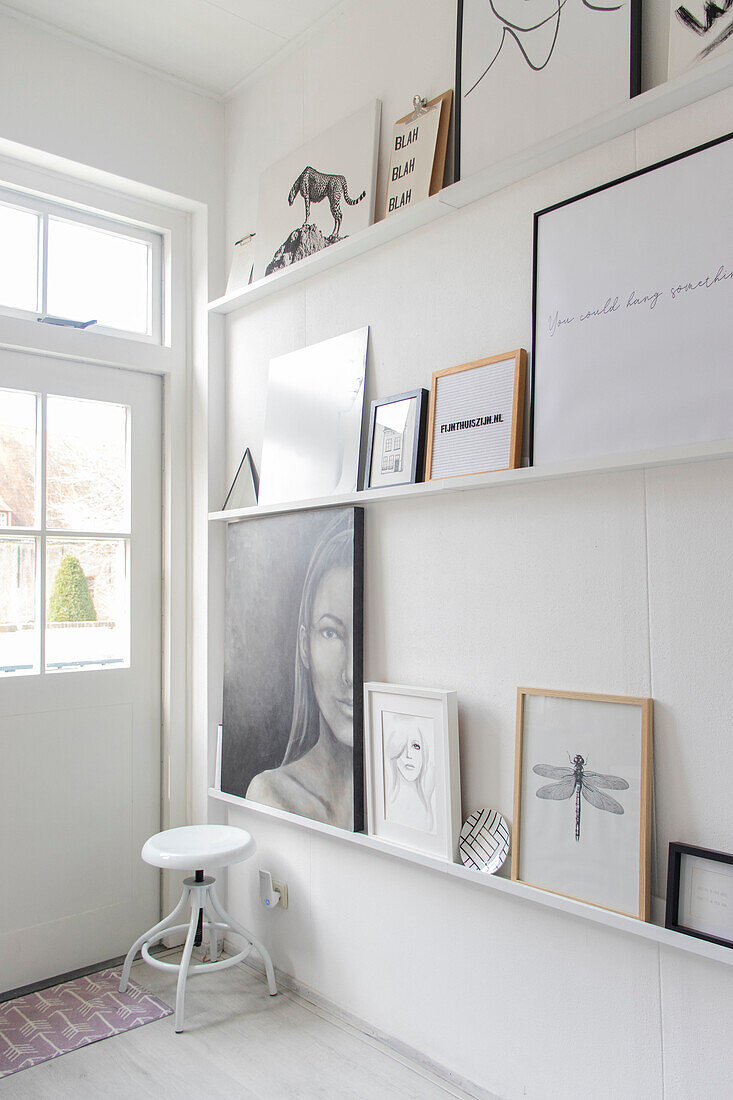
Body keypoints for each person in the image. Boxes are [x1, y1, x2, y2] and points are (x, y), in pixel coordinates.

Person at [246, 512, 356, 828]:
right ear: (304, 645)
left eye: (363, 637)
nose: (350, 672)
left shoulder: (398, 805)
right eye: (331, 633)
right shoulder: (273, 795)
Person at [384, 712, 435, 833]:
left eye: (416, 746)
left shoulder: (429, 803)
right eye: (402, 747)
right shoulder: (387, 806)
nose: (408, 755)